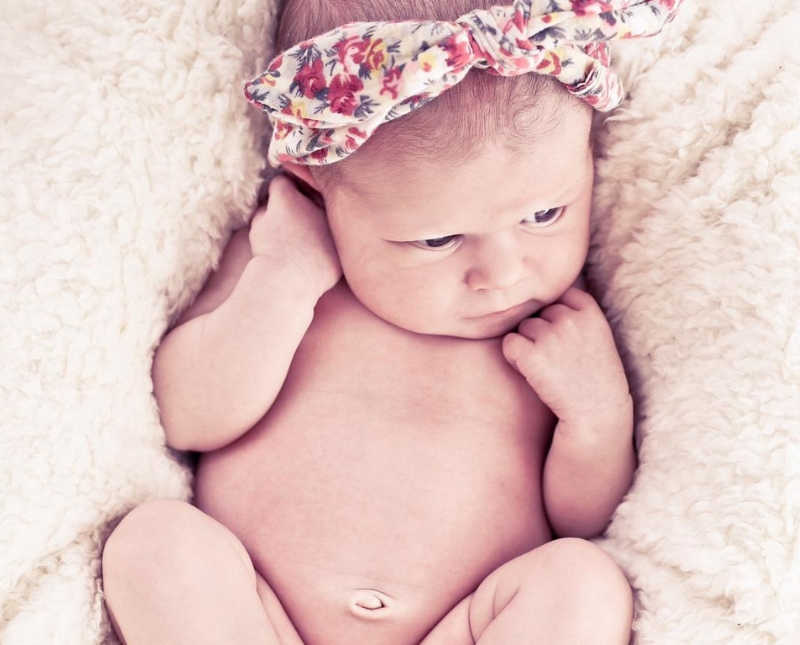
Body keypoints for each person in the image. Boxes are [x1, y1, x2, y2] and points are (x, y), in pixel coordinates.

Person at [101, 1, 682, 643]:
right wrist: (283, 283)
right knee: (155, 542)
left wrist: (599, 416)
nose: (503, 272)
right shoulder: (288, 259)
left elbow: (583, 520)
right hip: (256, 620)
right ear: (320, 185)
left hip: (467, 626)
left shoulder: (558, 333)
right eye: (437, 239)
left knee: (583, 578)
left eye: (545, 215)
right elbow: (187, 417)